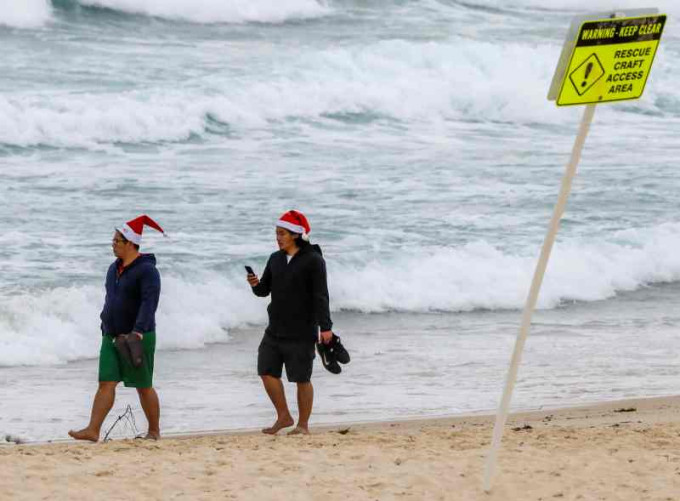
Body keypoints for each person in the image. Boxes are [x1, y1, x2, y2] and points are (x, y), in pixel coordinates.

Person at [69, 215, 165, 442]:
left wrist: (139, 331)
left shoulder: (147, 271)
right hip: (111, 336)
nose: (113, 244)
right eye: (113, 240)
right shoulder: (113, 269)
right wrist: (105, 323)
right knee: (106, 383)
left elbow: (149, 303)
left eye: (117, 241)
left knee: (143, 385)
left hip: (137, 336)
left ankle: (154, 431)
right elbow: (110, 300)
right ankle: (93, 430)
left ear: (130, 243)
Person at [247, 210, 333, 435]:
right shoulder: (275, 258)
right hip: (274, 328)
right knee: (266, 371)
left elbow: (321, 295)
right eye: (276, 233)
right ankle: (283, 416)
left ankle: (303, 425)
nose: (278, 237)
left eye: (282, 233)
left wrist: (326, 328)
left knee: (301, 378)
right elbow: (264, 291)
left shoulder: (314, 260)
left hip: (302, 330)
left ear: (295, 234)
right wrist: (255, 284)